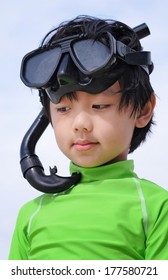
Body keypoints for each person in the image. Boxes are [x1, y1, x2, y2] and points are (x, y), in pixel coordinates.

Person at [9, 15, 168, 260]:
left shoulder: (158, 207)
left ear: (143, 110)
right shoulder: (31, 214)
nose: (80, 124)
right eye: (63, 109)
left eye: (100, 106)